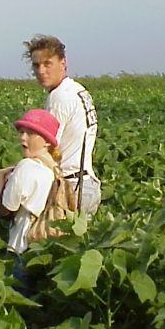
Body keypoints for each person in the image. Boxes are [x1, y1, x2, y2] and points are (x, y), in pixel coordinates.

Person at [22, 34, 101, 216]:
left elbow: (47, 147)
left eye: (47, 64)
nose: (41, 71)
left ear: (63, 63)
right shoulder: (78, 90)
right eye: (36, 65)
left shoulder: (59, 97)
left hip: (70, 188)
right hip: (87, 184)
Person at [0, 109, 61, 256]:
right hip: (44, 246)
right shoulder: (54, 167)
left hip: (21, 247)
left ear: (47, 142)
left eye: (30, 133)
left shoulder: (27, 167)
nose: (23, 138)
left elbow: (4, 210)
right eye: (21, 132)